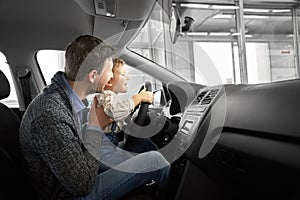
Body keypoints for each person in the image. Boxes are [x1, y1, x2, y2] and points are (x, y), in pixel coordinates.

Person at [19, 35, 170, 200]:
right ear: (92, 76)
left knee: (142, 145)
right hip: (67, 194)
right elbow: (82, 185)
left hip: (78, 169)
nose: (112, 78)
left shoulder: (66, 98)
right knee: (156, 161)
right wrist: (95, 127)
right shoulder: (50, 115)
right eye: (109, 71)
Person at [96, 58, 158, 170]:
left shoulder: (113, 97)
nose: (127, 78)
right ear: (109, 81)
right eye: (123, 75)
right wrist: (138, 98)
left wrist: (134, 110)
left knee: (144, 142)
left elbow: (121, 112)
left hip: (110, 146)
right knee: (146, 162)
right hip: (103, 153)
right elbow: (114, 111)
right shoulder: (105, 95)